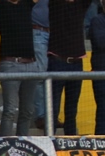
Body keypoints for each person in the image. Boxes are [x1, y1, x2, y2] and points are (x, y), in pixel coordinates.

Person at [0, 0, 39, 137]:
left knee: (27, 111)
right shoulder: (1, 6)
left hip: (31, 64)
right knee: (10, 110)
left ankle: (22, 142)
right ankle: (5, 143)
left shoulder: (26, 4)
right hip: (10, 64)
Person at [47, 0, 92, 136]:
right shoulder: (55, 5)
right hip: (57, 61)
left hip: (76, 63)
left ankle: (70, 139)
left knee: (72, 108)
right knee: (53, 107)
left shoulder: (81, 5)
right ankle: (50, 139)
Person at [93, 0, 105, 135]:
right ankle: (101, 141)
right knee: (103, 110)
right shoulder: (97, 20)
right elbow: (101, 43)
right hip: (101, 74)